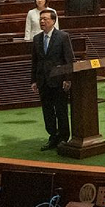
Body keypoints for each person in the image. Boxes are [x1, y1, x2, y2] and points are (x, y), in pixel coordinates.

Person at [30, 9, 74, 150]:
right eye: (41, 19)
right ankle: (53, 136)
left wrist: (68, 79)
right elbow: (35, 61)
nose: (42, 21)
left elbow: (69, 60)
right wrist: (33, 80)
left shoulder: (63, 37)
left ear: (53, 21)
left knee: (61, 110)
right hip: (43, 81)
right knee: (47, 111)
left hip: (59, 81)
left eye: (45, 19)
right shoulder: (37, 38)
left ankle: (63, 137)